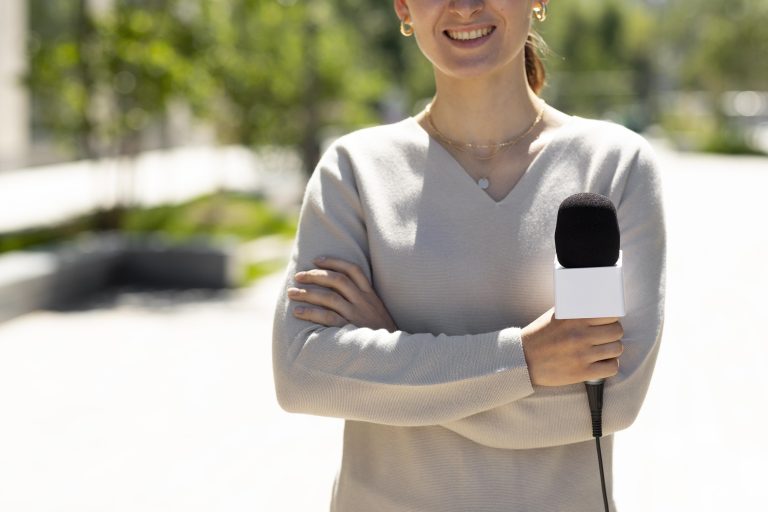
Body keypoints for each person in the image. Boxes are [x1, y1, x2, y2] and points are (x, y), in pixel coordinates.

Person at [272, 0, 666, 510]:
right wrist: (527, 360)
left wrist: (391, 350)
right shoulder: (353, 172)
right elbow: (304, 376)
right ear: (404, 7)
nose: (464, 6)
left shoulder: (614, 167)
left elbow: (609, 403)